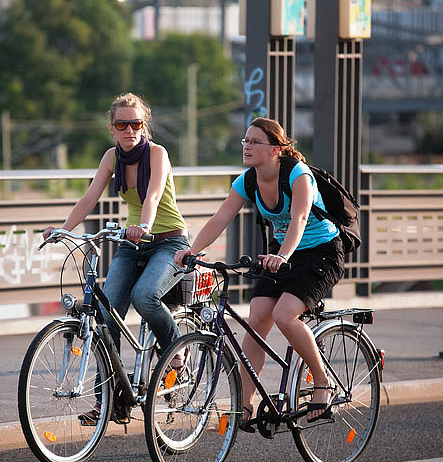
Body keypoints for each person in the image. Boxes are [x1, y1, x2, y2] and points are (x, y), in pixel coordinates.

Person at [174, 117, 344, 429]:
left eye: (255, 142)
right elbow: (220, 217)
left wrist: (282, 255)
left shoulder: (297, 174)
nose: (247, 146)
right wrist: (193, 249)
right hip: (281, 256)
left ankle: (322, 382)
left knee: (285, 315)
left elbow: (301, 217)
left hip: (321, 253)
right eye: (245, 141)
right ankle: (245, 403)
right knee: (257, 320)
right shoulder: (248, 180)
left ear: (275, 150)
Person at [43, 92, 190, 420]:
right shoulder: (112, 157)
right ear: (112, 128)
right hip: (132, 243)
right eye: (122, 124)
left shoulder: (157, 154)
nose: (130, 130)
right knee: (106, 319)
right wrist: (63, 229)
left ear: (144, 124)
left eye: (136, 123)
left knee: (145, 296)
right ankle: (110, 400)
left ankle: (176, 355)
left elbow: (152, 195)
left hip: (169, 242)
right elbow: (90, 196)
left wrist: (143, 225)